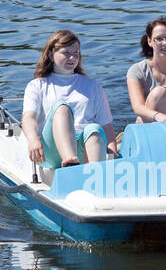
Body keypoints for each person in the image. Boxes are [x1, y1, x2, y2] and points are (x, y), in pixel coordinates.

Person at [22, 30, 116, 167]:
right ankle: (70, 163)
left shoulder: (93, 86)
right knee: (62, 109)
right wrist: (32, 139)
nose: (72, 58)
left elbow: (106, 126)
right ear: (51, 55)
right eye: (66, 53)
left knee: (94, 128)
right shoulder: (37, 85)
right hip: (51, 151)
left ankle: (96, 176)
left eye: (76, 53)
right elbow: (28, 118)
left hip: (84, 148)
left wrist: (113, 153)